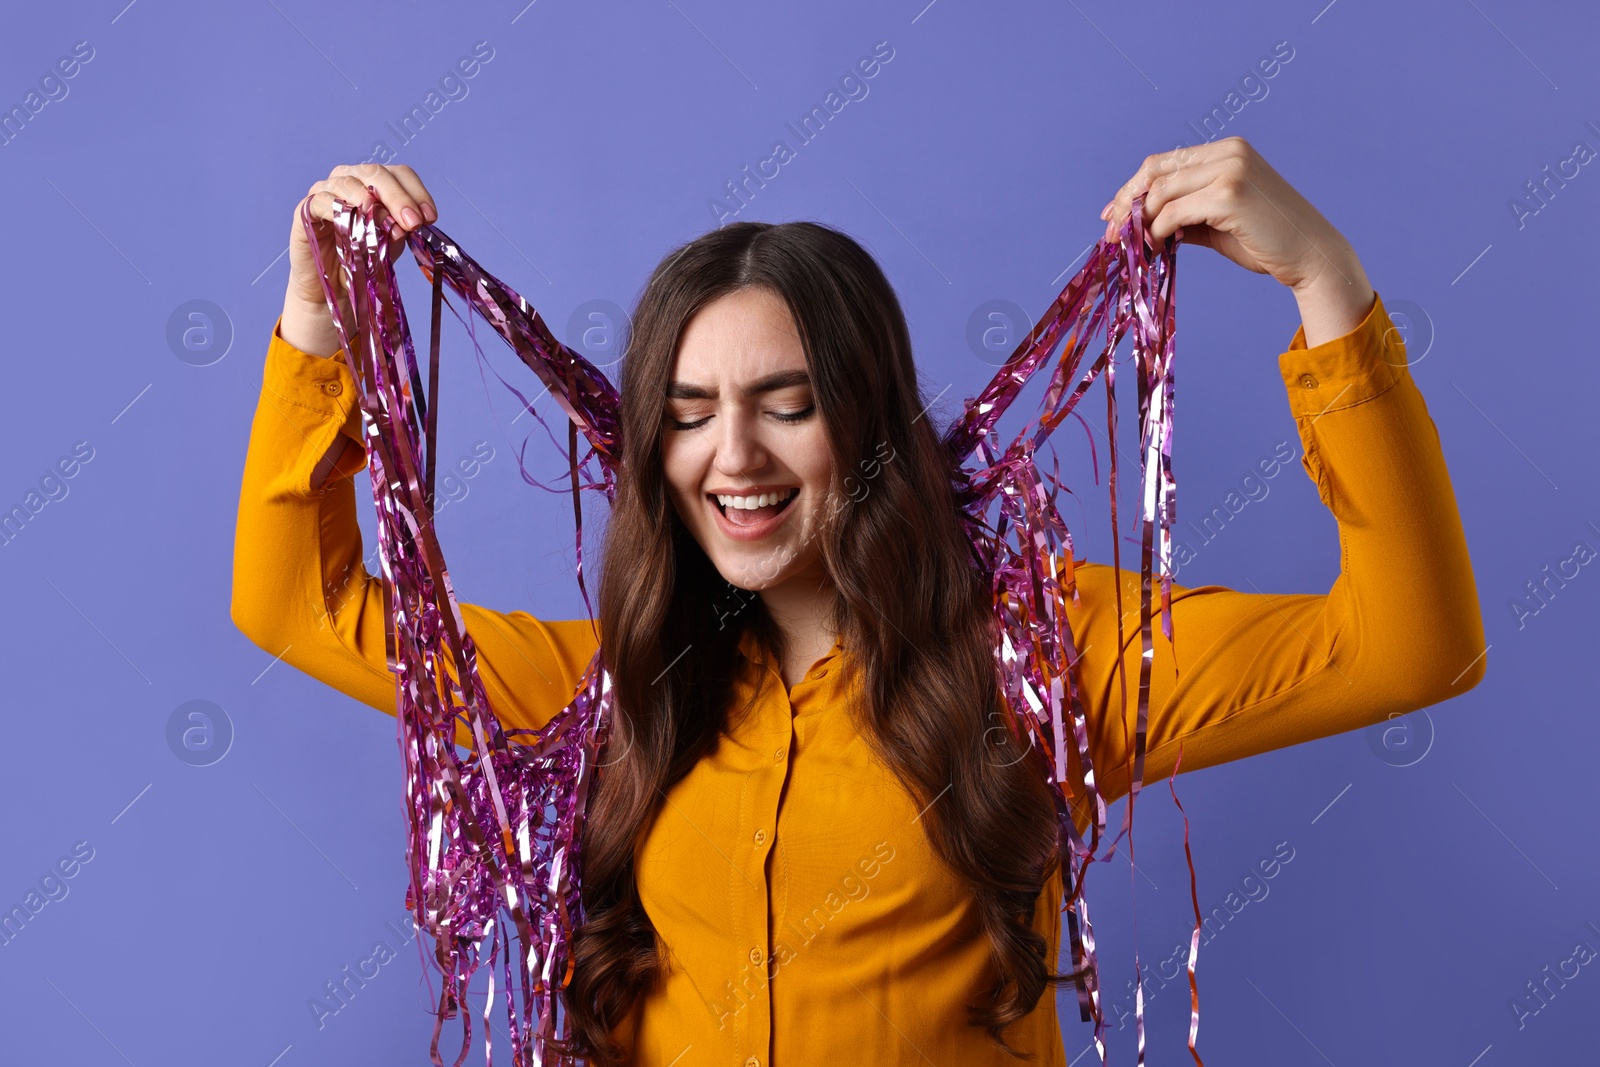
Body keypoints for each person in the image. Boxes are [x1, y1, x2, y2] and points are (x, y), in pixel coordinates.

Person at [231, 138, 1487, 1067]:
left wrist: (1325, 282)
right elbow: (294, 602)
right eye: (687, 413)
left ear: (871, 418)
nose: (735, 457)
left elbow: (1409, 647)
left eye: (787, 403)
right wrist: (316, 316)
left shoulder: (1044, 656)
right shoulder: (604, 693)